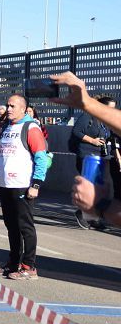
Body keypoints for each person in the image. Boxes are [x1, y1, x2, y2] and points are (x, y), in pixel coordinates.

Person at [0, 93, 49, 280]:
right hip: (7, 185)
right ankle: (13, 263)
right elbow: (2, 158)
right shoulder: (6, 127)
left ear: (23, 108)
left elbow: (41, 158)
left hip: (23, 186)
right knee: (11, 226)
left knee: (25, 227)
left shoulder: (31, 128)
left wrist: (36, 184)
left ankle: (29, 266)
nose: (9, 109)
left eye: (13, 106)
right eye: (8, 105)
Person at [52, 72, 121, 230]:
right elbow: (77, 132)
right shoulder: (88, 117)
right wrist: (93, 140)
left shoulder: (106, 124)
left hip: (100, 157)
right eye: (109, 109)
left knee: (98, 190)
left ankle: (94, 216)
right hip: (88, 156)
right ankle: (85, 215)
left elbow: (113, 139)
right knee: (90, 188)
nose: (111, 112)